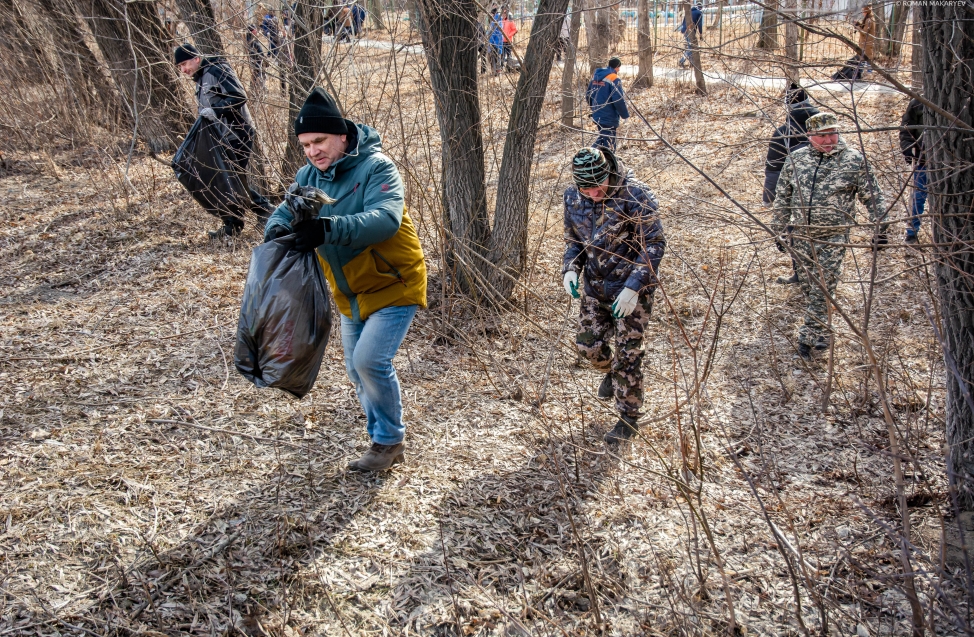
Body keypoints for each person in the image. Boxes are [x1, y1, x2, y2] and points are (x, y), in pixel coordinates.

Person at [264, 88, 427, 471]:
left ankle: (388, 442)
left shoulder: (377, 167)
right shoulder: (307, 175)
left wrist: (325, 229)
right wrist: (277, 232)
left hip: (394, 283)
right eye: (304, 145)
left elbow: (385, 219)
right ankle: (381, 437)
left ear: (341, 135)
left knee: (370, 361)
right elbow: (283, 213)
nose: (312, 151)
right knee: (356, 368)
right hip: (349, 291)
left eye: (318, 141)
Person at [562, 147, 666, 447]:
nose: (594, 193)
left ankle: (627, 418)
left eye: (599, 186)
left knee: (628, 356)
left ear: (609, 173)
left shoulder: (636, 195)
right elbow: (574, 241)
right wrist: (570, 269)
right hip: (595, 287)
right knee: (588, 346)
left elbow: (655, 245)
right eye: (587, 188)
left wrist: (634, 286)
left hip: (632, 291)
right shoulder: (573, 197)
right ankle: (609, 372)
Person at [772, 112, 889, 359]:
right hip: (802, 236)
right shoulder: (797, 159)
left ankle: (809, 337)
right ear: (809, 136)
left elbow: (874, 197)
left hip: (833, 237)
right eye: (822, 136)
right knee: (808, 284)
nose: (828, 140)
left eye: (832, 134)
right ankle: (823, 329)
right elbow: (782, 197)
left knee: (824, 285)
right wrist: (779, 229)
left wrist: (881, 228)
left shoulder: (854, 161)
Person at [174, 43, 272, 239]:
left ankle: (262, 214)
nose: (184, 70)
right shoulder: (201, 79)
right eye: (180, 67)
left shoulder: (217, 69)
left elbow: (239, 96)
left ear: (196, 58)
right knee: (228, 181)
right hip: (222, 138)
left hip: (238, 134)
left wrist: (216, 111)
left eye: (185, 64)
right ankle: (238, 223)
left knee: (231, 181)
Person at [763, 83, 819, 284]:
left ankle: (801, 274)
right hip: (828, 197)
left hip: (797, 198)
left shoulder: (783, 133)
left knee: (795, 234)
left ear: (787, 106)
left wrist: (769, 198)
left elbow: (773, 169)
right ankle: (820, 277)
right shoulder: (826, 129)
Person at [586, 57, 629, 150]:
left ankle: (598, 157)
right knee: (609, 143)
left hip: (597, 114)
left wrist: (594, 108)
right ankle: (589, 155)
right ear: (617, 67)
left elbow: (588, 95)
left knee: (603, 138)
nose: (619, 70)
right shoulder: (614, 78)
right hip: (609, 115)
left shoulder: (596, 76)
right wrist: (624, 115)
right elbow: (618, 99)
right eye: (619, 67)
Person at [899, 97, 926, 244]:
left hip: (954, 162)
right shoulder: (918, 103)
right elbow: (906, 129)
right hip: (924, 161)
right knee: (918, 197)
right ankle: (912, 233)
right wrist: (908, 148)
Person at [677, 2, 703, 69]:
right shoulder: (699, 13)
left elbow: (683, 22)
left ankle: (692, 64)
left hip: (685, 31)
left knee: (690, 47)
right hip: (691, 32)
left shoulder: (689, 11)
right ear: (701, 8)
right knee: (691, 48)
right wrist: (701, 34)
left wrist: (684, 29)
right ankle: (681, 61)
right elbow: (700, 25)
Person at [245, 25, 267, 98]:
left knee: (255, 76)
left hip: (257, 61)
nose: (257, 31)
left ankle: (253, 90)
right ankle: (256, 92)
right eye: (255, 30)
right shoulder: (251, 41)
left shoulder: (252, 39)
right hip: (256, 61)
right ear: (252, 31)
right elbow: (254, 52)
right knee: (258, 76)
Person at [488, 9, 505, 75]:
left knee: (493, 58)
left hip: (494, 43)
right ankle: (498, 71)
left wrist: (490, 42)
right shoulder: (500, 22)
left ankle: (494, 72)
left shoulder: (494, 22)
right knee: (498, 58)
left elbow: (492, 33)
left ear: (493, 14)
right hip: (500, 43)